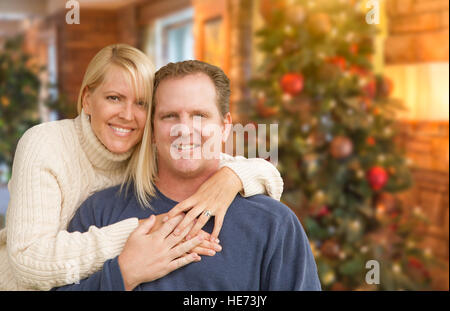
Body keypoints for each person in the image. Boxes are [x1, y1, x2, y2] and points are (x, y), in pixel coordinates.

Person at [0, 45, 284, 291]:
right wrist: (143, 236)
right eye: (114, 98)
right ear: (87, 99)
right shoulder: (46, 145)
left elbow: (213, 156)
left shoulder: (145, 145)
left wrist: (231, 179)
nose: (127, 115)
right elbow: (28, 262)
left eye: (141, 103)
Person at [53, 60, 321, 291]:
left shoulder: (274, 224)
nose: (184, 129)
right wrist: (123, 275)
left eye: (199, 115)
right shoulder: (99, 212)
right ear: (153, 129)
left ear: (225, 126)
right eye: (170, 116)